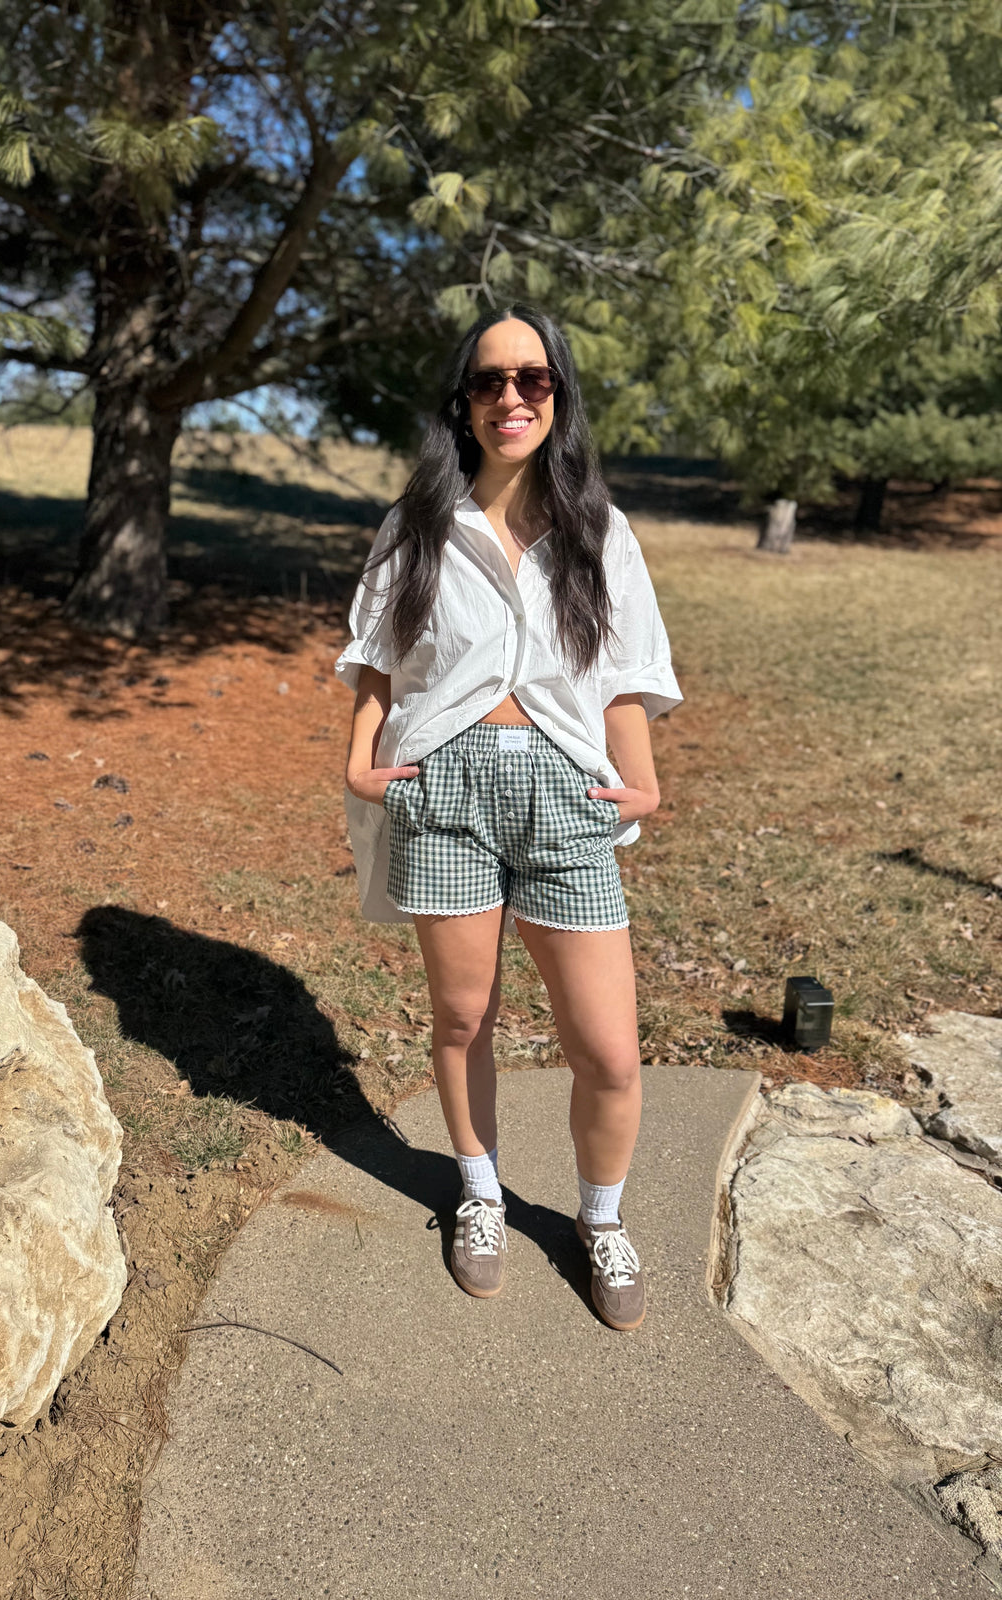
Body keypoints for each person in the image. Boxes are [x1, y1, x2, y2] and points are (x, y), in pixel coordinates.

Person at [336, 303, 681, 1331]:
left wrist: (644, 778)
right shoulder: (415, 526)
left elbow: (626, 677)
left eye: (533, 379)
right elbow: (376, 657)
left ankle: (601, 1218)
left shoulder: (598, 532)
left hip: (567, 796)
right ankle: (479, 1195)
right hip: (444, 789)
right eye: (490, 381)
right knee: (461, 1017)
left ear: (559, 397)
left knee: (609, 1049)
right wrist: (359, 756)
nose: (512, 397)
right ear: (465, 403)